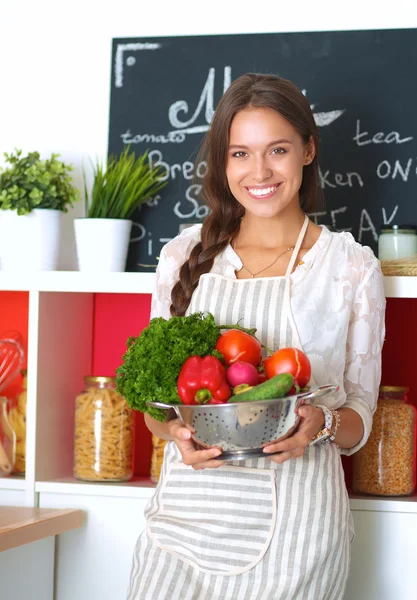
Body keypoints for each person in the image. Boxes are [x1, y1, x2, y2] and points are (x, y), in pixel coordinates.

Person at [127, 73, 386, 600]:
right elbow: (155, 402)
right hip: (184, 524)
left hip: (299, 530)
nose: (259, 171)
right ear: (223, 164)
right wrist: (174, 434)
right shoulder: (183, 255)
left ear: (308, 150)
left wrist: (322, 423)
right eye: (240, 153)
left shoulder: (350, 266)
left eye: (278, 150)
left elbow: (360, 417)